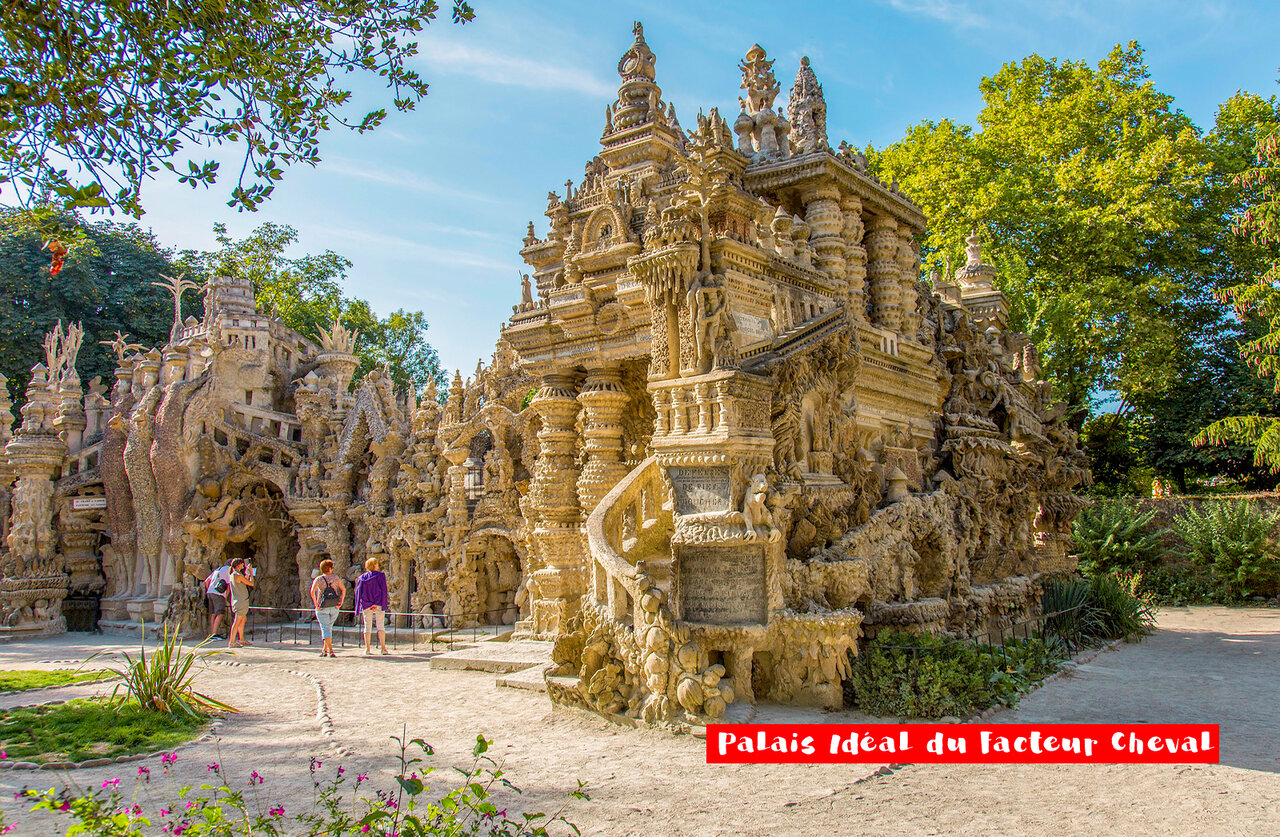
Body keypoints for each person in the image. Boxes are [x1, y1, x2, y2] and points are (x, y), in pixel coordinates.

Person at [310, 559, 346, 657]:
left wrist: (315, 604)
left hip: (322, 607)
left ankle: (331, 651)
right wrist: (341, 601)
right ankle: (324, 650)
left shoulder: (318, 579)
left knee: (325, 628)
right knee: (328, 628)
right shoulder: (336, 578)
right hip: (334, 606)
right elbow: (343, 589)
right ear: (330, 568)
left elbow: (312, 591)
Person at [354, 557, 390, 655]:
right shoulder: (380, 576)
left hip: (366, 604)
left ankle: (367, 649)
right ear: (375, 565)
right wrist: (382, 603)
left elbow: (359, 592)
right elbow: (383, 590)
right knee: (380, 625)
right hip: (378, 603)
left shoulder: (362, 578)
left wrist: (362, 605)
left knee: (367, 626)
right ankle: (383, 648)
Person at [227, 557, 255, 648]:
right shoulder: (237, 575)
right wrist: (251, 572)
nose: (243, 565)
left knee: (242, 620)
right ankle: (232, 641)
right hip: (241, 601)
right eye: (242, 564)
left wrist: (247, 573)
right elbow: (251, 583)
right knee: (237, 621)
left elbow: (244, 581)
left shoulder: (234, 574)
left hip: (238, 600)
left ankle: (241, 639)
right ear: (238, 565)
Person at [203, 559, 233, 640]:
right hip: (219, 593)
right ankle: (214, 634)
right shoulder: (229, 570)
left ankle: (212, 633)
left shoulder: (218, 569)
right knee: (220, 613)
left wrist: (210, 589)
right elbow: (229, 585)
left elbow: (206, 581)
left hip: (210, 592)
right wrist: (225, 596)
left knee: (213, 613)